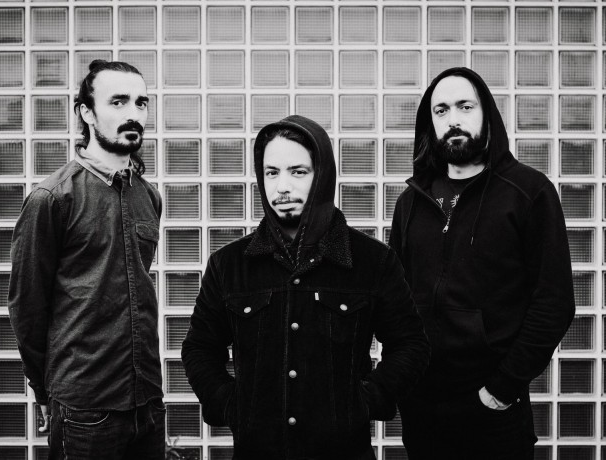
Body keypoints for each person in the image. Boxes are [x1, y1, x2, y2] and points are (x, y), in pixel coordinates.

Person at [181, 115, 430, 460]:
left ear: (322, 176)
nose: (282, 187)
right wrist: (230, 404)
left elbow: (410, 343)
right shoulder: (229, 265)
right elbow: (199, 348)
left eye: (297, 172)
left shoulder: (373, 261)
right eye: (271, 173)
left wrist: (367, 400)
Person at [390, 67, 576, 459]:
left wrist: (501, 389)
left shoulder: (527, 193)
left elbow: (554, 302)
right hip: (423, 409)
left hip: (493, 411)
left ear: (486, 114)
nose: (453, 119)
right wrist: (401, 379)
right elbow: (396, 301)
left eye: (465, 106)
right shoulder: (412, 202)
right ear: (430, 124)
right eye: (441, 110)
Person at [8, 60, 164, 460]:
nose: (134, 113)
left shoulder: (148, 196)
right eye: (118, 102)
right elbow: (27, 305)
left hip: (147, 400)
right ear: (87, 113)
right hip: (85, 408)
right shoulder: (52, 199)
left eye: (141, 103)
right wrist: (43, 389)